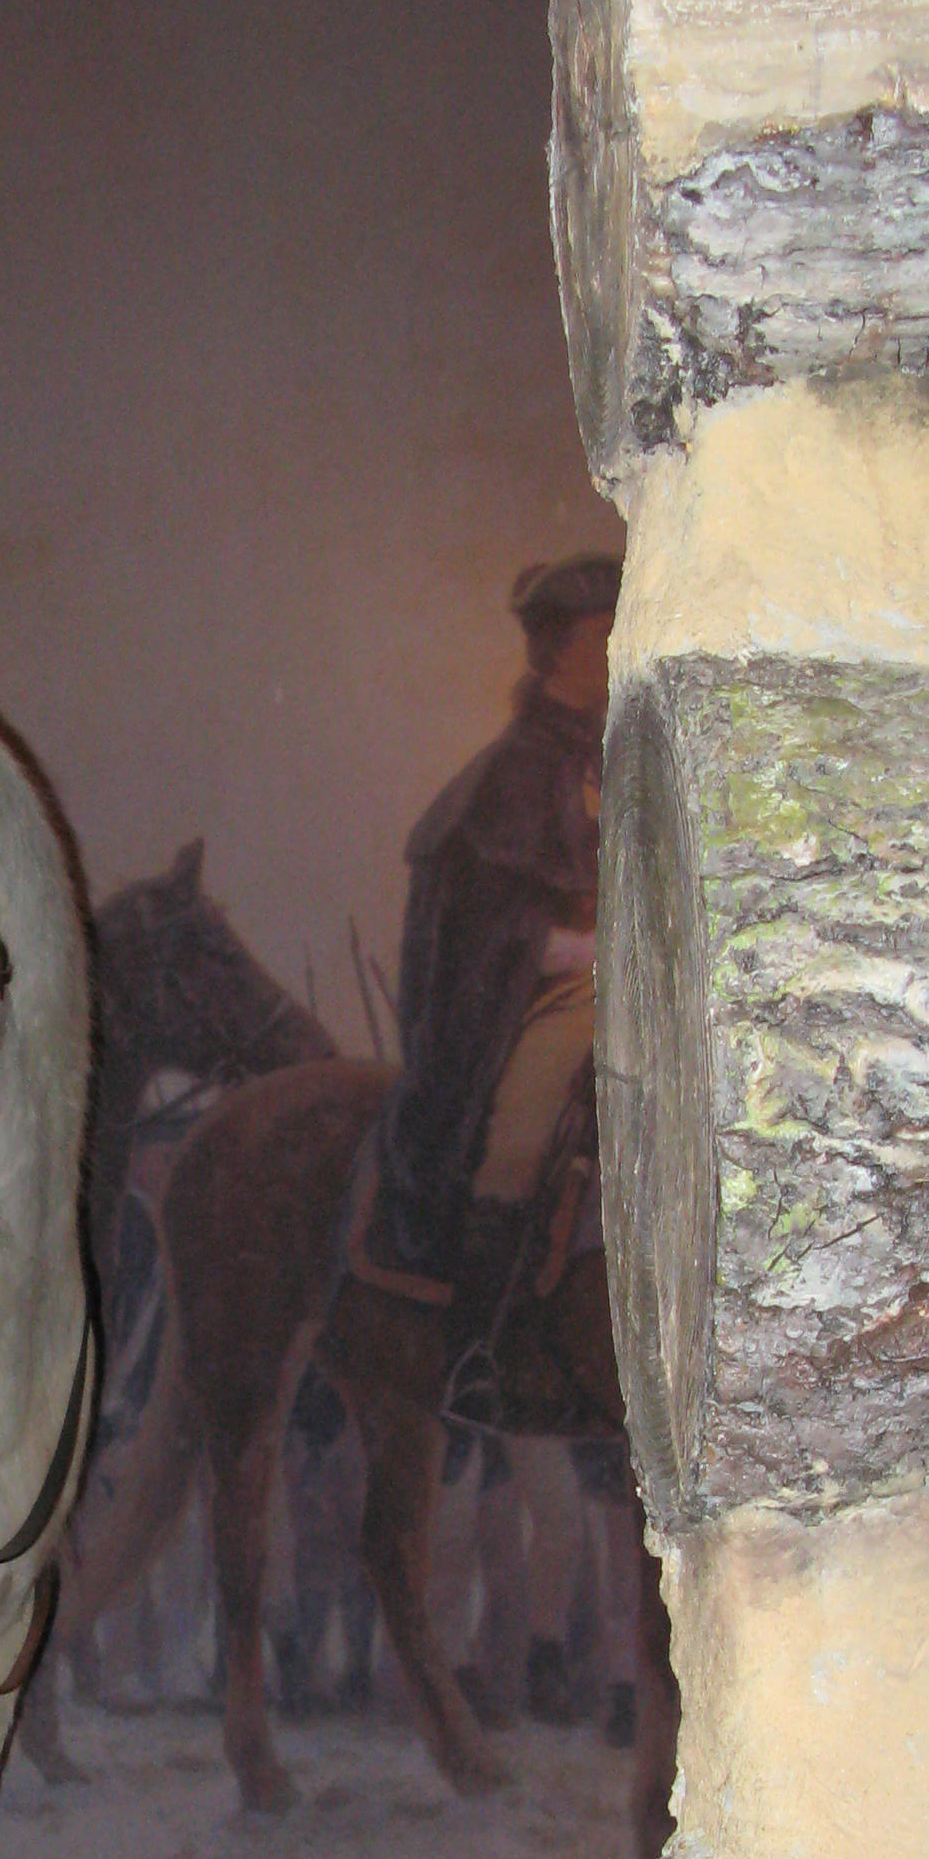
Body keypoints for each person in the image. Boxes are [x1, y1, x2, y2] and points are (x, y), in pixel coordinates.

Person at [354, 549, 617, 1335]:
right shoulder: (507, 780)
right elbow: (476, 934)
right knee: (527, 1132)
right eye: (605, 635)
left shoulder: (617, 759)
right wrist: (575, 949)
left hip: (627, 990)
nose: (621, 651)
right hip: (535, 1001)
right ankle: (482, 1342)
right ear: (561, 650)